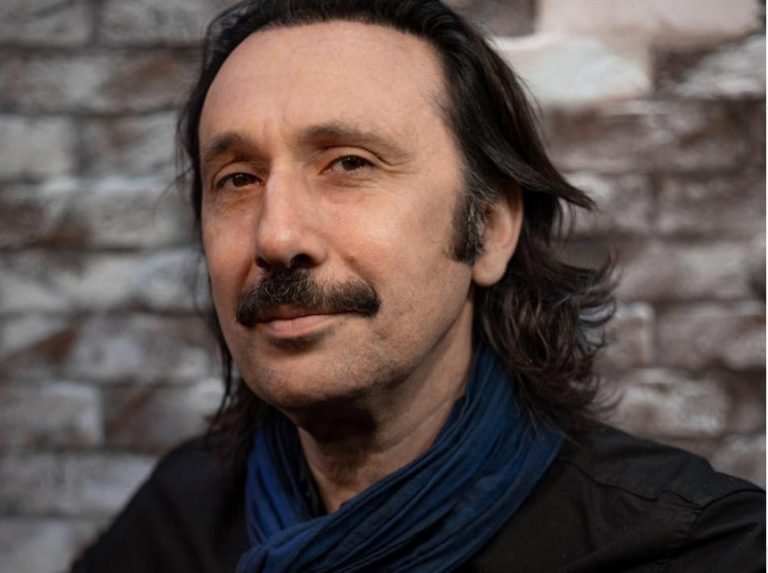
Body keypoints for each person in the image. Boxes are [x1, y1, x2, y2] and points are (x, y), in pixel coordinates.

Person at [71, 1, 764, 571]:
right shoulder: (175, 524)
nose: (276, 236)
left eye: (349, 164)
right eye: (239, 179)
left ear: (488, 228)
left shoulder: (690, 549)